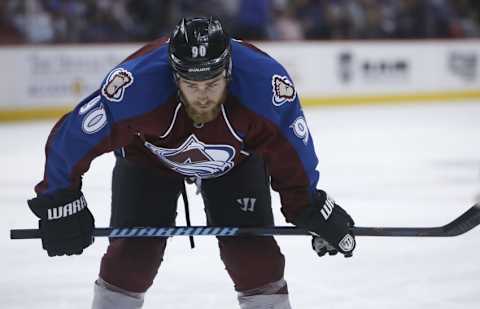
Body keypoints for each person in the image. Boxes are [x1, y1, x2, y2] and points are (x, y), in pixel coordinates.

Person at [27, 17, 356, 309]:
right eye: (191, 84)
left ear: (228, 72)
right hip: (148, 158)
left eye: (212, 84)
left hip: (236, 162)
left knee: (255, 259)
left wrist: (307, 206)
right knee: (132, 259)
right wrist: (60, 199)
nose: (202, 95)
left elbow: (292, 153)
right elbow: (73, 138)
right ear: (173, 77)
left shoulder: (264, 86)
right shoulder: (135, 86)